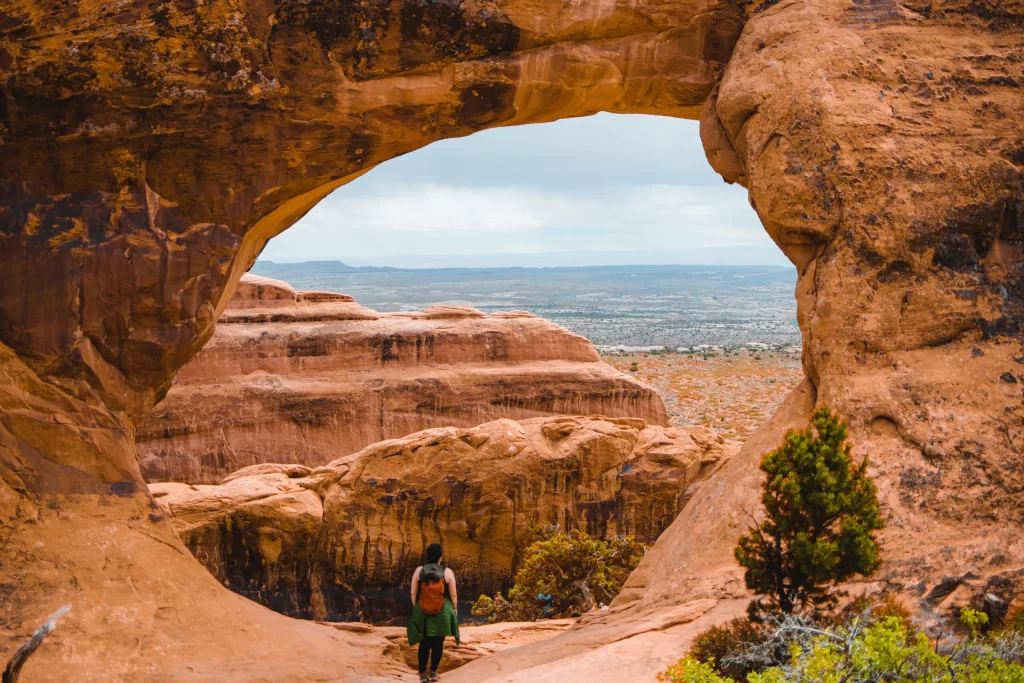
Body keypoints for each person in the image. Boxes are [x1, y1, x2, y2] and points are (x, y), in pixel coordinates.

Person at [407, 543, 460, 682]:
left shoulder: (419, 570)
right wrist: (454, 609)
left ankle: (422, 675)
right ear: (440, 557)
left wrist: (418, 607)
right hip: (442, 612)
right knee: (438, 643)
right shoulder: (447, 572)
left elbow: (413, 592)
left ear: (427, 556)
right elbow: (453, 595)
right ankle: (433, 673)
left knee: (424, 643)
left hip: (423, 611)